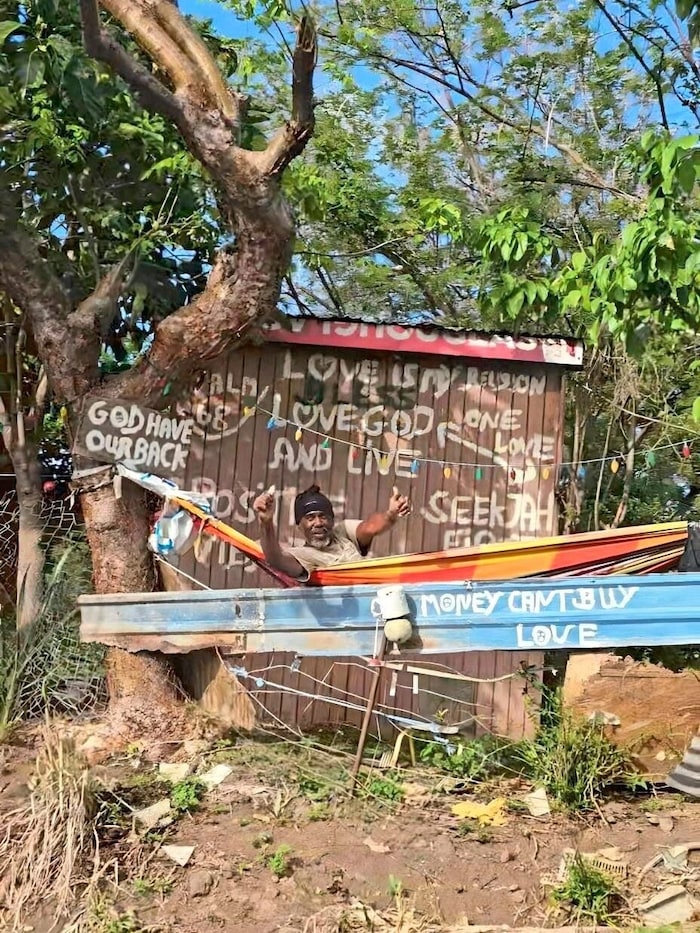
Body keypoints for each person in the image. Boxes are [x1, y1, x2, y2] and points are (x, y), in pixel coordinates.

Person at [253, 483, 411, 580]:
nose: (318, 523)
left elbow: (370, 527)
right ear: (299, 525)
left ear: (332, 519)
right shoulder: (303, 556)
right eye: (310, 518)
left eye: (323, 516)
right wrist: (265, 522)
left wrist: (391, 514)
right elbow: (276, 558)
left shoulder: (343, 532)